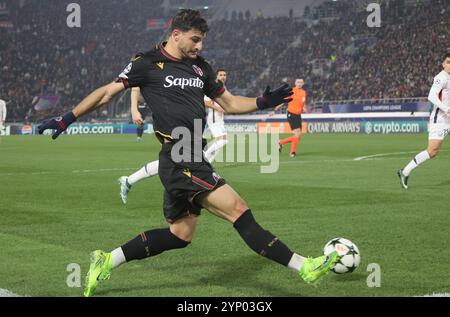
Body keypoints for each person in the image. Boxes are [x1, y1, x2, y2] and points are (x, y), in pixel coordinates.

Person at [37, 9, 339, 297]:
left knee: (179, 235)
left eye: (202, 40)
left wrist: (262, 101)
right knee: (238, 209)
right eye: (195, 39)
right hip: (181, 155)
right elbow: (106, 93)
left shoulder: (201, 67)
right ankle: (305, 266)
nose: (200, 45)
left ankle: (108, 259)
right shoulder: (146, 62)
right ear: (176, 34)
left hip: (191, 154)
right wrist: (67, 118)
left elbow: (230, 103)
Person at [117, 69, 228, 205]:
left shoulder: (190, 75)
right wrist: (134, 109)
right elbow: (134, 88)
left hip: (189, 122)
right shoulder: (156, 69)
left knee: (172, 161)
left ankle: (129, 181)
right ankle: (206, 172)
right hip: (173, 122)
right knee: (176, 159)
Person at [398, 52, 450, 189]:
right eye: (448, 62)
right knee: (432, 151)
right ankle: (405, 172)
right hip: (440, 119)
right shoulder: (441, 78)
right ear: (443, 64)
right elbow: (432, 96)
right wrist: (446, 109)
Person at [270, 78, 307, 158]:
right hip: (291, 114)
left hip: (298, 115)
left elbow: (303, 103)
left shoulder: (304, 92)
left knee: (298, 136)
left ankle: (280, 143)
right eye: (298, 82)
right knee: (297, 134)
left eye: (301, 82)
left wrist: (305, 108)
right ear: (295, 83)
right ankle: (292, 152)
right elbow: (283, 101)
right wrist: (274, 110)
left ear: (303, 83)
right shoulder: (292, 91)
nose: (299, 83)